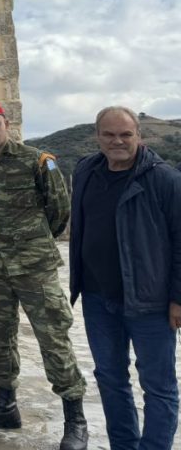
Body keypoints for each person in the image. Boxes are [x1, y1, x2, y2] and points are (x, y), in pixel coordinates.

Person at [0, 101, 88, 448]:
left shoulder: (36, 160)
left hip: (34, 266)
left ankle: (74, 419)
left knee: (53, 340)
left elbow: (59, 210)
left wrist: (32, 241)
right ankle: (5, 406)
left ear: (6, 124)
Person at [69, 106, 181, 450]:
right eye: (109, 134)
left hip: (150, 300)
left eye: (125, 134)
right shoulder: (86, 170)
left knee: (158, 385)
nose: (117, 141)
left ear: (139, 136)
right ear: (97, 136)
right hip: (98, 298)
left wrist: (178, 297)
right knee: (110, 378)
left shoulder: (164, 179)